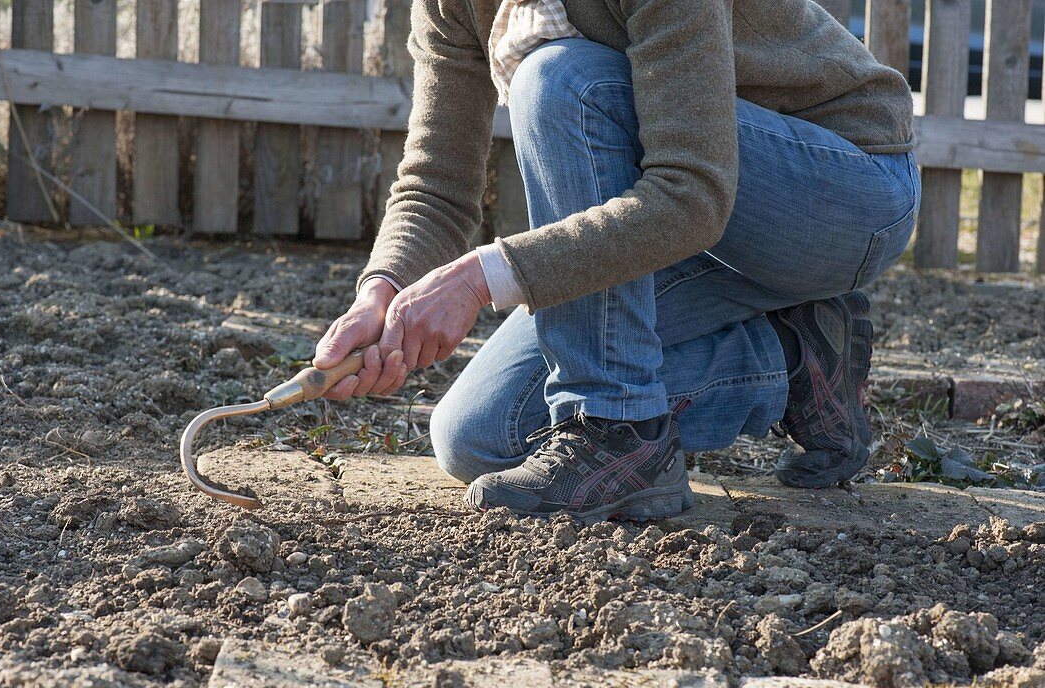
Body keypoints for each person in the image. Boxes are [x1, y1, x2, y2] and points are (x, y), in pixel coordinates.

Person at [312, 0, 920, 523]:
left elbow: (690, 194)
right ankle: (793, 358)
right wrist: (382, 290)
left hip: (843, 193)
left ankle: (616, 428)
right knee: (479, 436)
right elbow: (437, 187)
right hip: (704, 223)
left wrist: (480, 278)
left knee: (563, 80)